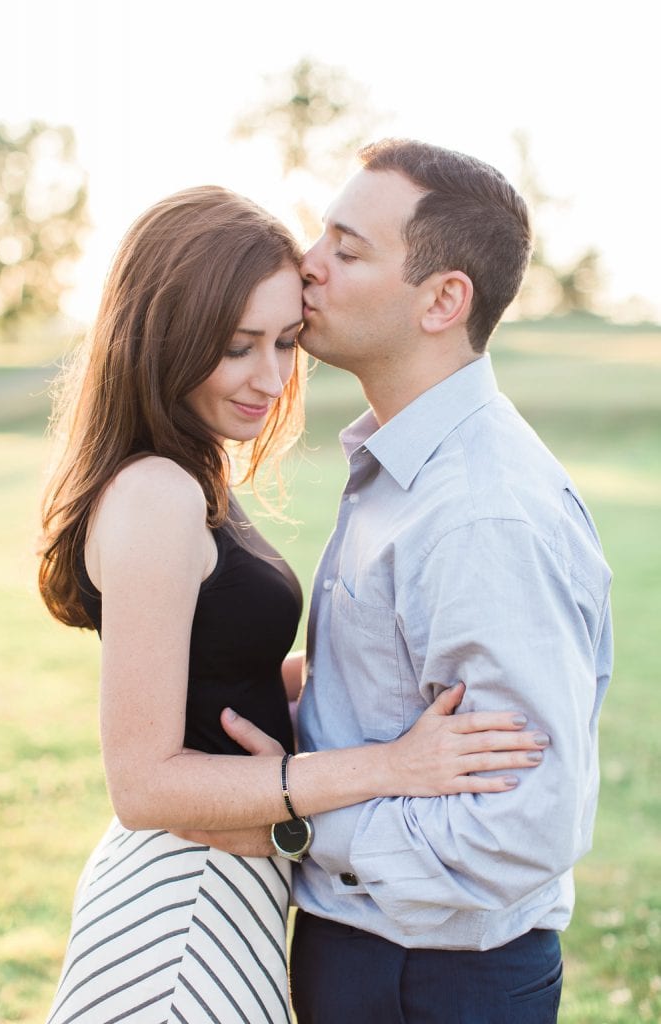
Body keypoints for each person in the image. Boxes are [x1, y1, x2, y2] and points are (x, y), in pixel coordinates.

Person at [38, 184, 548, 1024]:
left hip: (231, 885)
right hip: (184, 903)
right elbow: (142, 783)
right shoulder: (156, 491)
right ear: (165, 333)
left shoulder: (188, 471)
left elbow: (208, 668)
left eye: (285, 343)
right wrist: (389, 766)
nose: (270, 379)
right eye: (238, 347)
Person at [220, 140, 613, 1023]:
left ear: (442, 299)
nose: (305, 265)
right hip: (375, 953)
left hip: (427, 980)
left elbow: (519, 828)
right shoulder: (403, 465)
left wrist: (296, 816)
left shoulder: (481, 514)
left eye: (347, 250)